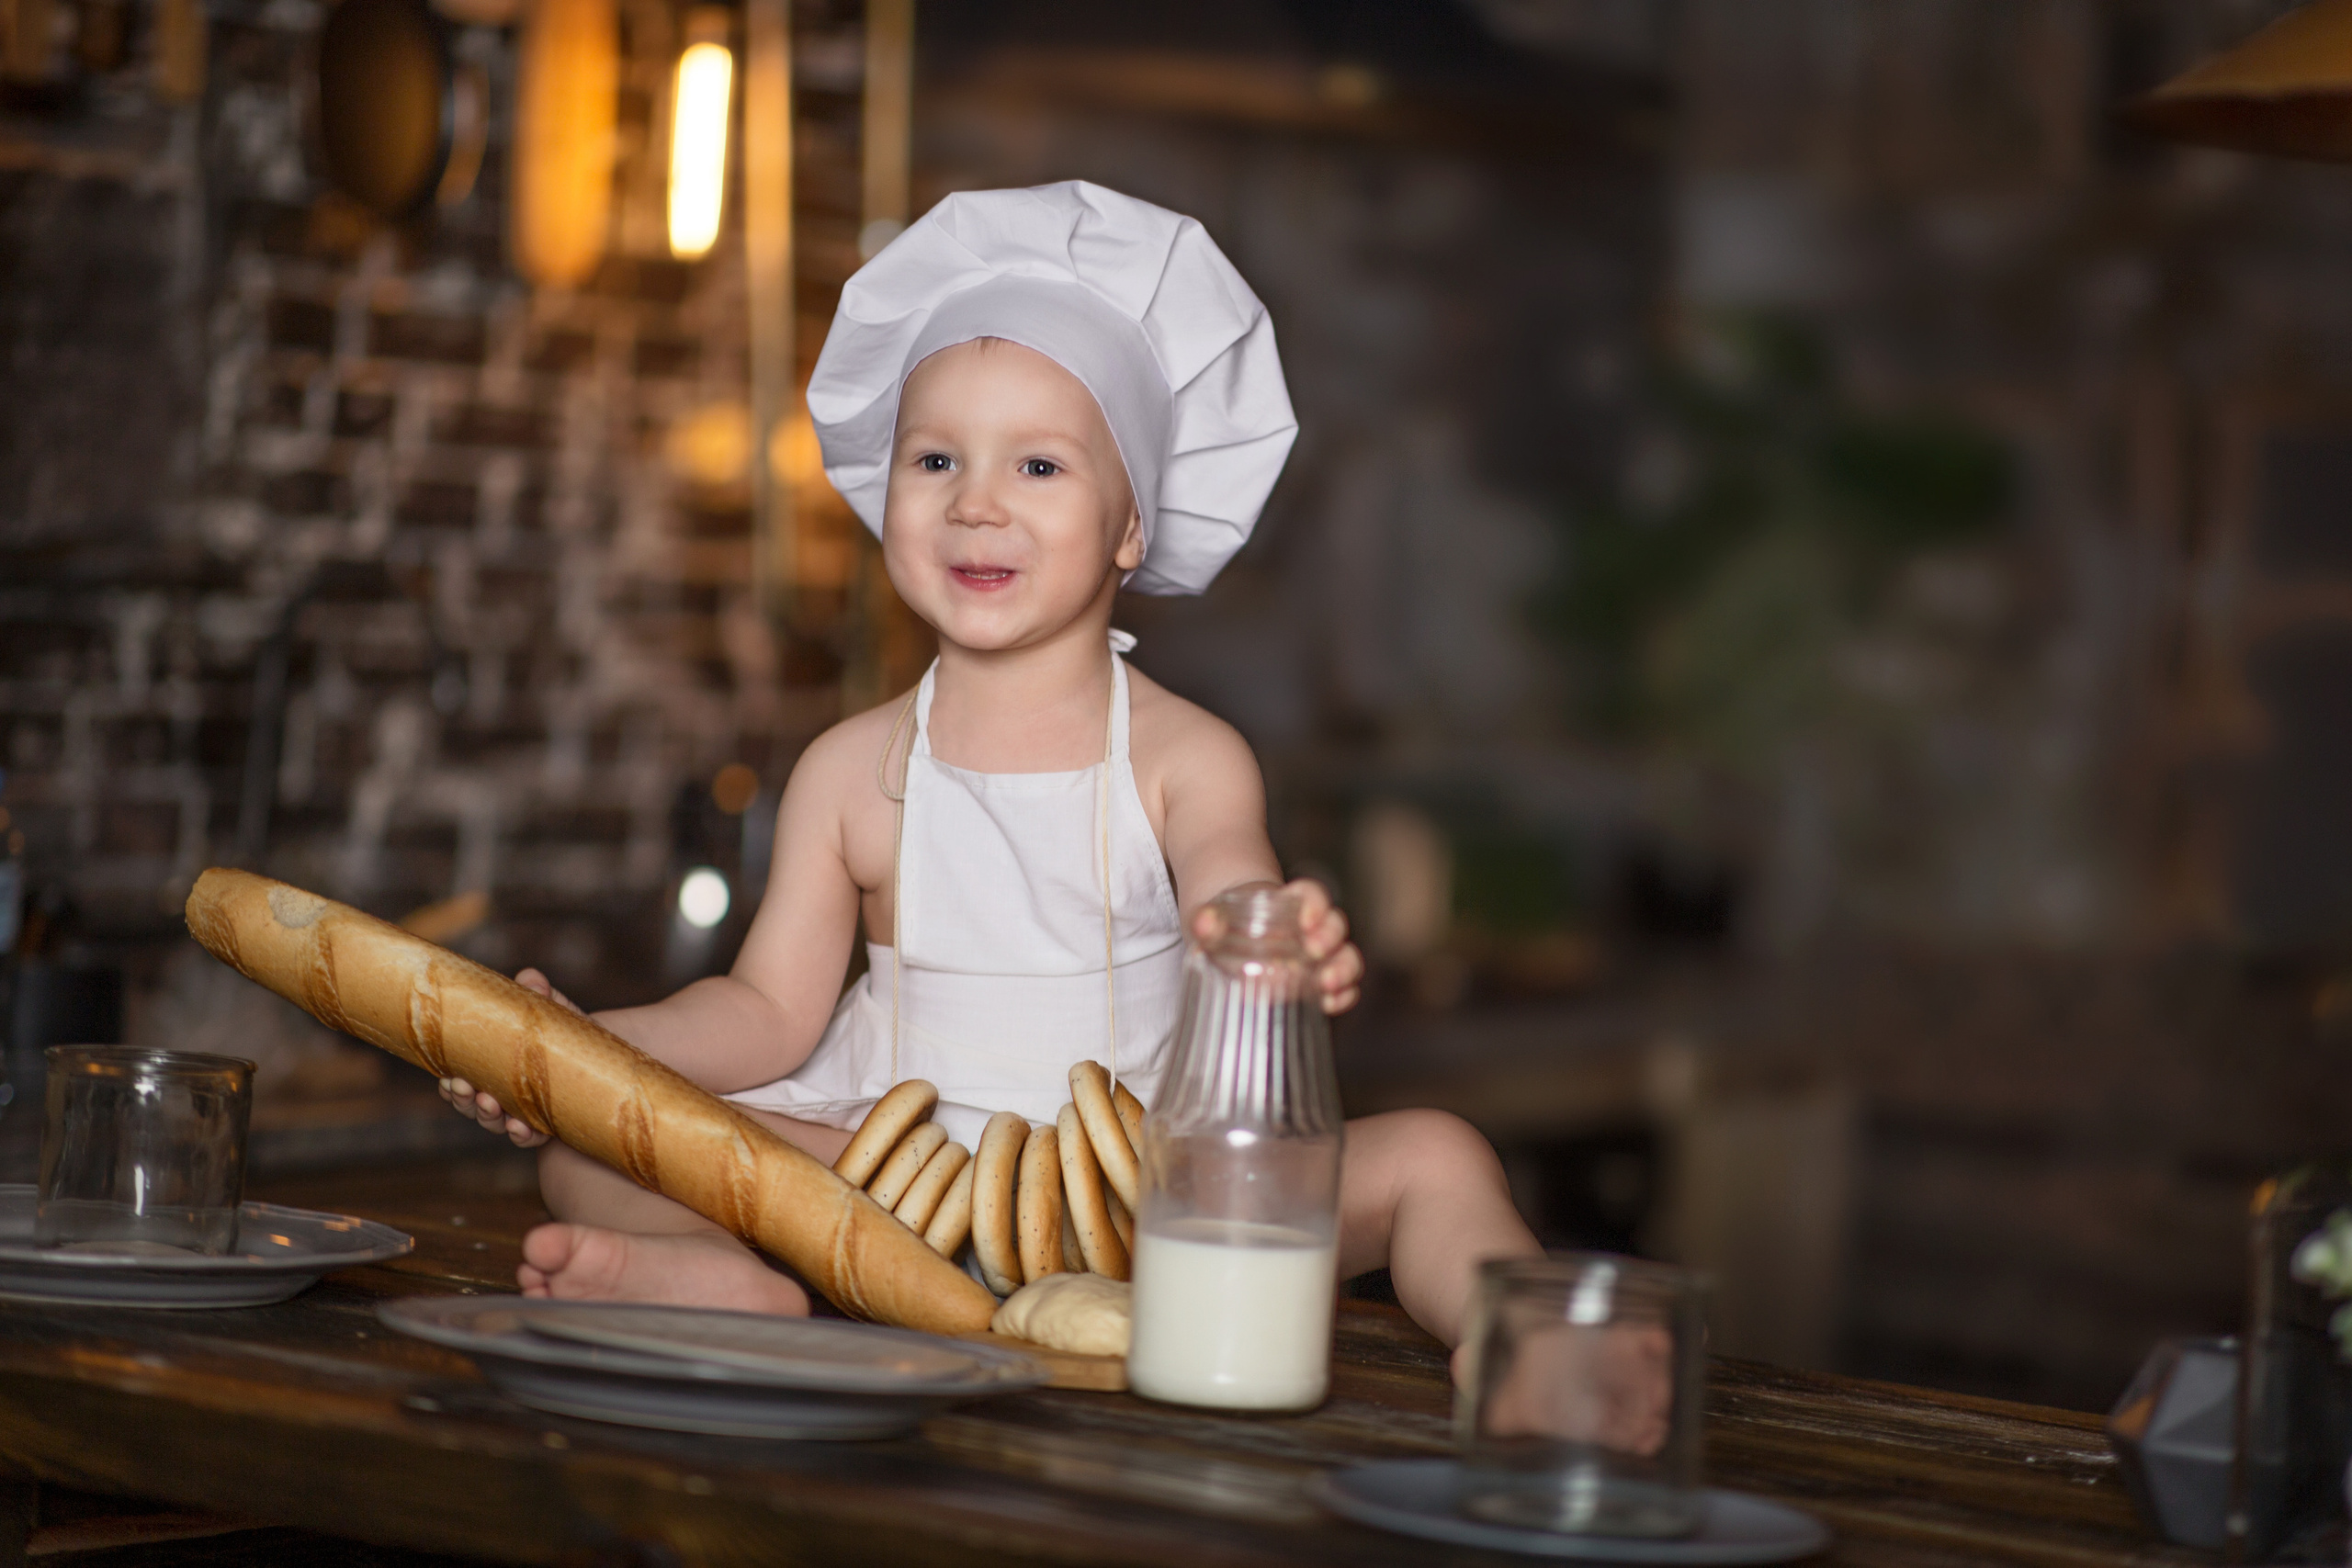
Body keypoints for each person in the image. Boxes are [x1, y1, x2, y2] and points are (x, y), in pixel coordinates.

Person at [440, 182, 1541, 1358]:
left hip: (1137, 1199)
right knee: (588, 1147)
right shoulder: (849, 769)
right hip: (882, 1188)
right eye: (935, 459)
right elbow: (763, 1013)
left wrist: (1270, 937)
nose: (975, 503)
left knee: (1436, 1156)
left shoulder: (1184, 755)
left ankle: (1525, 1348)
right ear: (885, 498)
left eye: (1038, 468)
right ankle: (728, 1285)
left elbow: (1230, 894)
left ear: (1132, 528)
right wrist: (571, 1051)